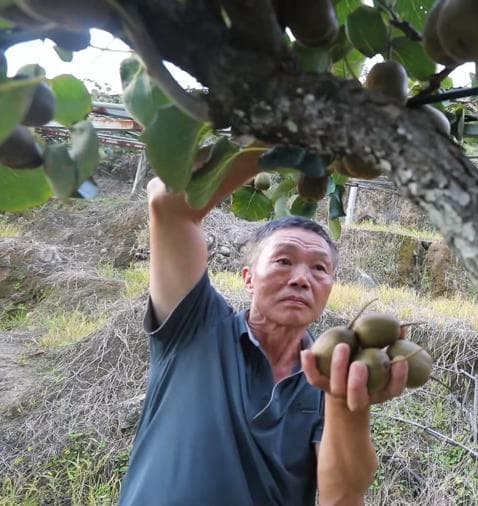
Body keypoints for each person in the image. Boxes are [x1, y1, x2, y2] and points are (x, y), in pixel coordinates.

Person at [118, 151, 408, 506]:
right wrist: (285, 140)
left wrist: (347, 402)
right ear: (248, 278)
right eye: (284, 260)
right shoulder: (194, 326)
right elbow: (167, 202)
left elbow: (342, 497)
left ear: (330, 286)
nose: (302, 279)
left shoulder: (326, 376)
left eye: (319, 268)